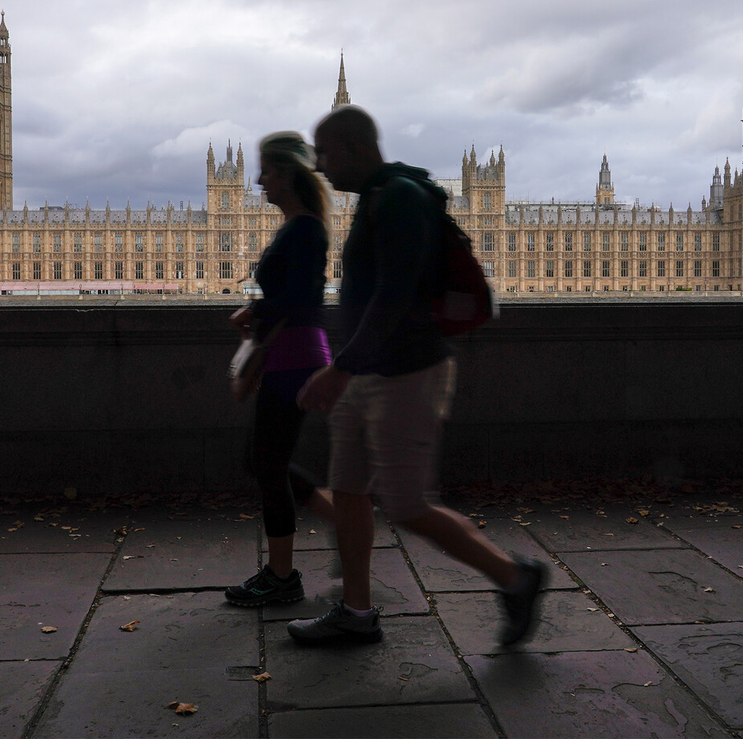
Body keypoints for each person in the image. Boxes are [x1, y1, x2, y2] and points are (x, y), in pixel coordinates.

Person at [289, 105, 543, 645]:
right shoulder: (376, 197)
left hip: (404, 371)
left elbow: (396, 294)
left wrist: (341, 368)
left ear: (356, 148)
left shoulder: (401, 197)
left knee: (407, 503)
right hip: (366, 372)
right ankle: (355, 613)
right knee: (350, 492)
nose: (321, 169)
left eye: (327, 154)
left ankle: (516, 577)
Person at [225, 131, 337, 607]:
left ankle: (283, 574)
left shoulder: (305, 228)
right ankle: (335, 519)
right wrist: (257, 306)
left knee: (265, 461)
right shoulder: (297, 224)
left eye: (267, 171)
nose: (258, 180)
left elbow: (300, 299)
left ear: (287, 175)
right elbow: (290, 292)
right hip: (289, 351)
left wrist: (262, 319)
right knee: (264, 460)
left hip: (294, 356)